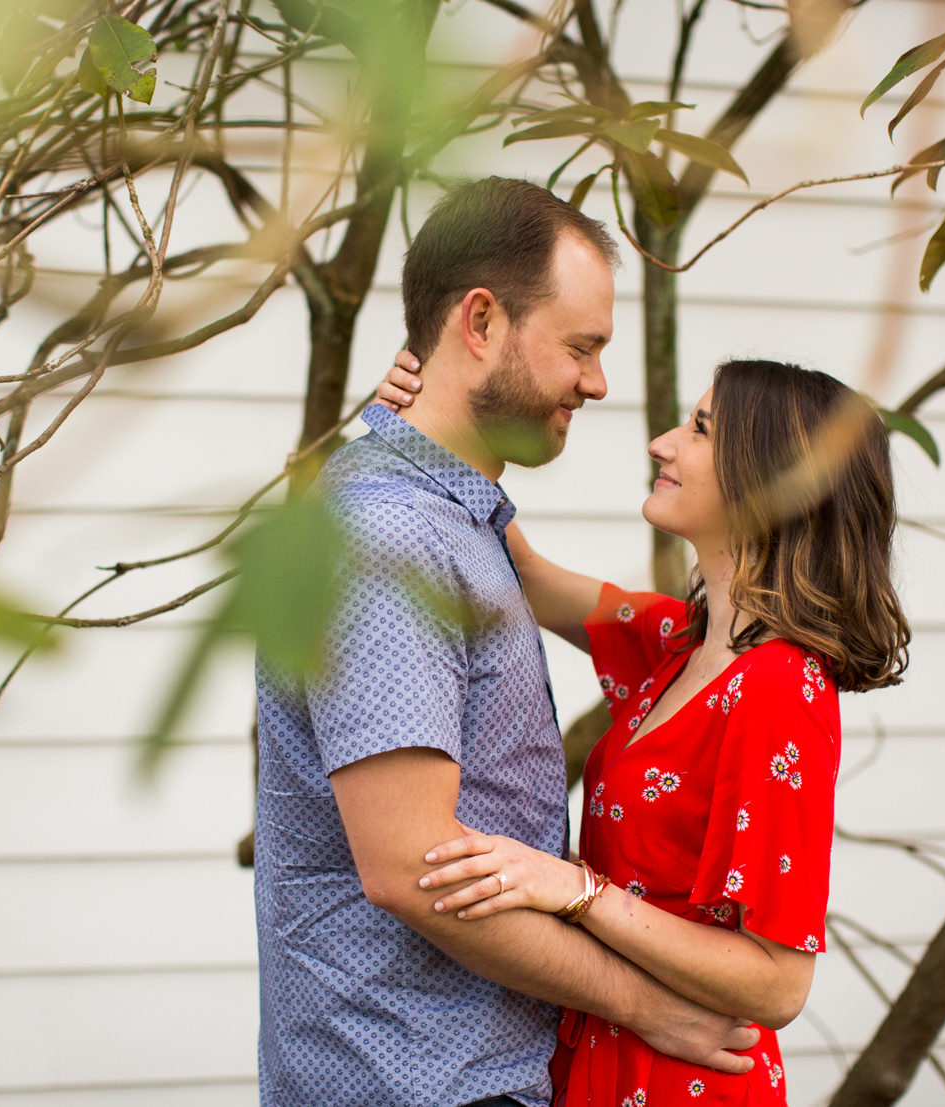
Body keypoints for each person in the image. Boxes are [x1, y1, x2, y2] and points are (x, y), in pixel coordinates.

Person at [254, 177, 758, 1107]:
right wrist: (646, 1006)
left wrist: (389, 420)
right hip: (419, 1081)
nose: (599, 383)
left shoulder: (455, 521)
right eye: (581, 346)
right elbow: (413, 869)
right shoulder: (391, 537)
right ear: (479, 323)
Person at [378, 353, 911, 1104]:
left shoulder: (779, 689)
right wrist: (429, 416)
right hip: (604, 1055)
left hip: (684, 1077)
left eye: (699, 428)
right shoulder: (675, 644)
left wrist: (574, 889)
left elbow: (780, 981)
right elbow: (517, 568)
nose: (663, 443)